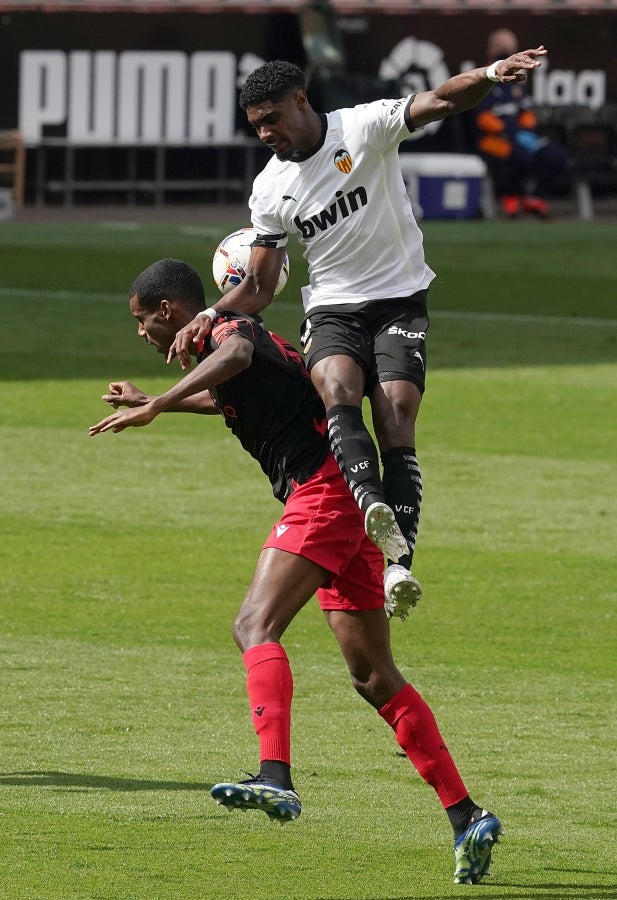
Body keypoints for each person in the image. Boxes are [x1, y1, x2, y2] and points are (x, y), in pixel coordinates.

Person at [89, 258, 503, 885]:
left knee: (254, 625)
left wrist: (158, 403)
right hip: (347, 503)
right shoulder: (241, 339)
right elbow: (236, 385)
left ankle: (276, 776)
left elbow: (234, 358)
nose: (142, 333)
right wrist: (162, 403)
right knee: (373, 676)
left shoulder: (227, 329)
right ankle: (466, 815)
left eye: (143, 320)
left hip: (325, 494)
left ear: (169, 310)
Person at [168, 49, 548, 619]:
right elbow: (262, 286)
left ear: (301, 102)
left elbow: (442, 99)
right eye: (257, 125)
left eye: (272, 118)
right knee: (338, 389)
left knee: (396, 409)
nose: (266, 133)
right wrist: (211, 313)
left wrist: (492, 75)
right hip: (333, 309)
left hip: (400, 299)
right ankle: (372, 507)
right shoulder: (270, 189)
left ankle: (399, 563)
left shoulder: (364, 127)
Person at [474, 29, 570, 218]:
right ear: (490, 50)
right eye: (502, 49)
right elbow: (481, 118)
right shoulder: (482, 78)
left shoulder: (516, 81)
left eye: (510, 50)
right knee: (520, 156)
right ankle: (510, 199)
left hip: (519, 136)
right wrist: (507, 131)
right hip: (493, 140)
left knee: (557, 155)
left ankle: (535, 199)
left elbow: (526, 113)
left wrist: (524, 129)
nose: (506, 54)